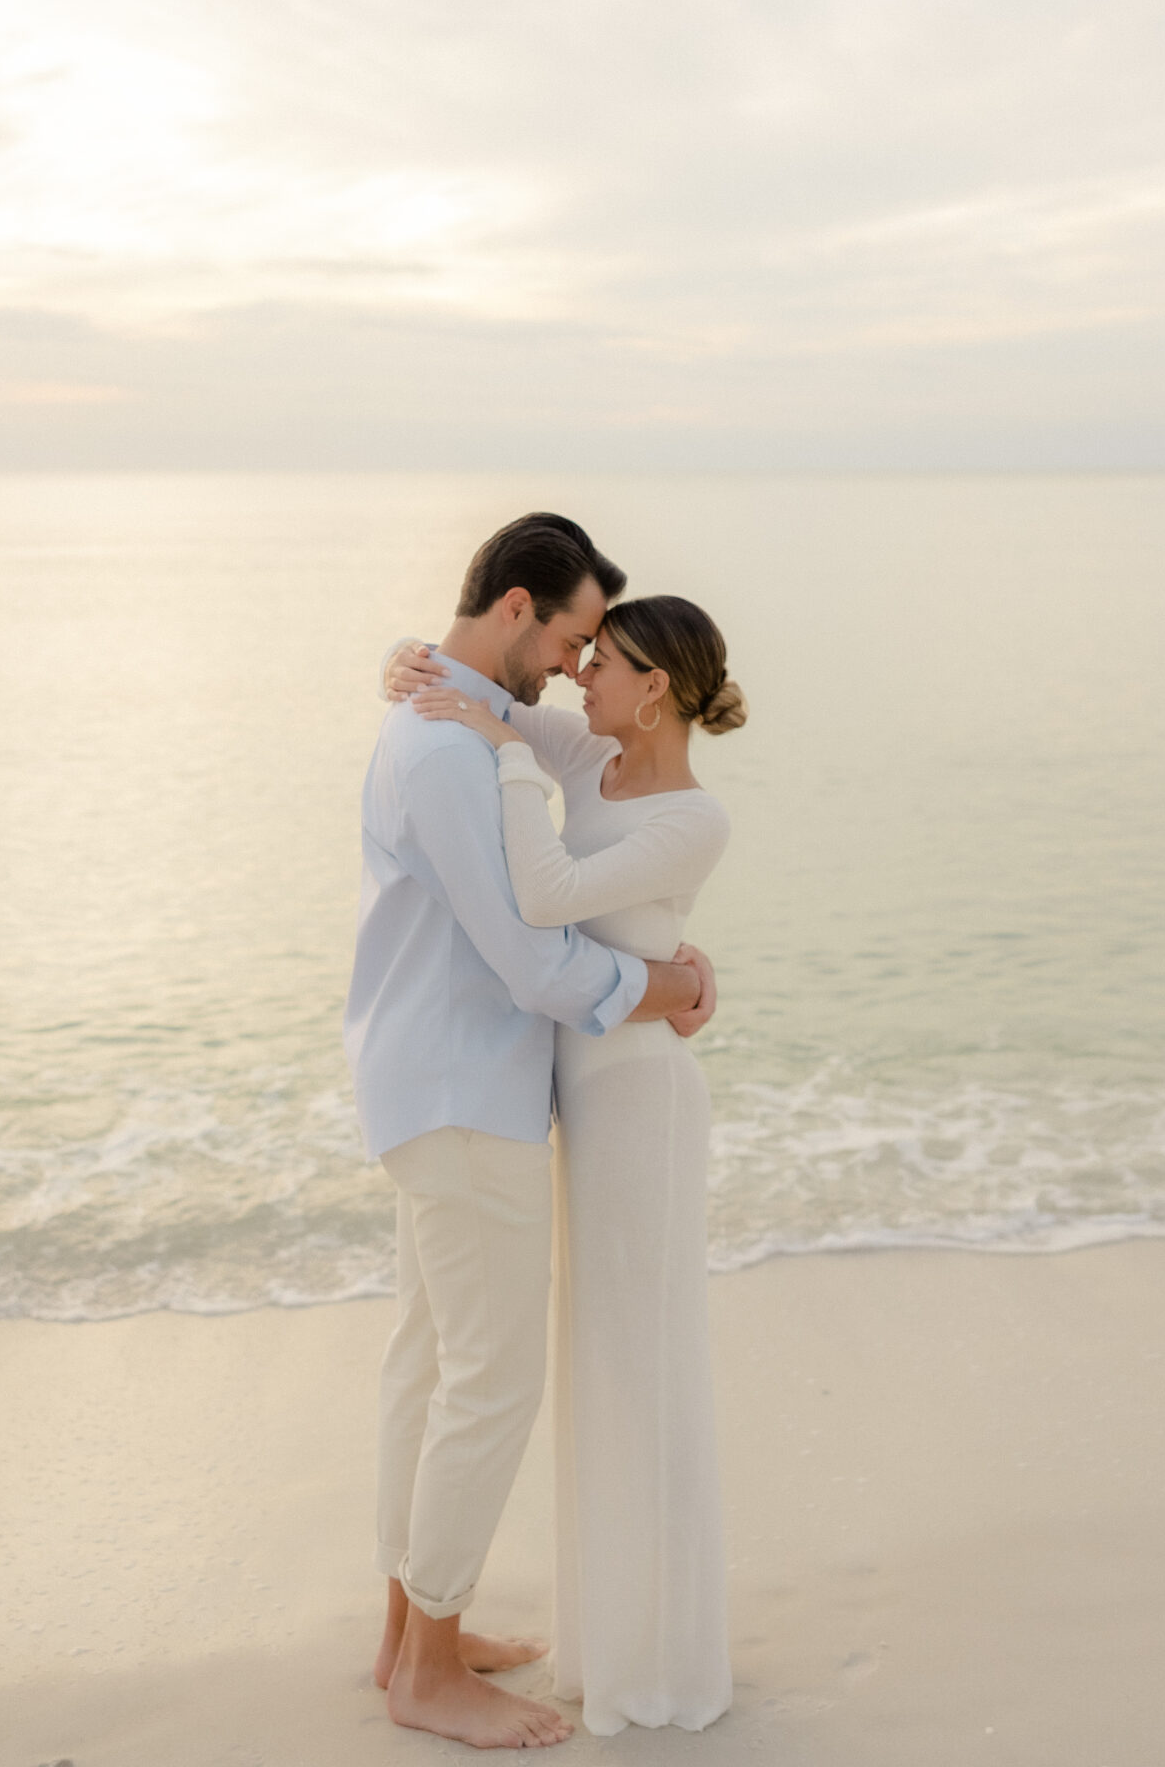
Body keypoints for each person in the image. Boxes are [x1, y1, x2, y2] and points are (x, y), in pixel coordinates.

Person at [345, 513, 717, 1752]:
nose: (571, 662)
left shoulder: (434, 710)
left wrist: (427, 665)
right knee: (489, 1380)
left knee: (429, 1363)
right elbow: (527, 954)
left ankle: (410, 1632)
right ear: (517, 607)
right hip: (466, 1094)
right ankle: (430, 1668)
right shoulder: (455, 747)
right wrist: (655, 990)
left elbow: (543, 805)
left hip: (429, 1085)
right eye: (567, 634)